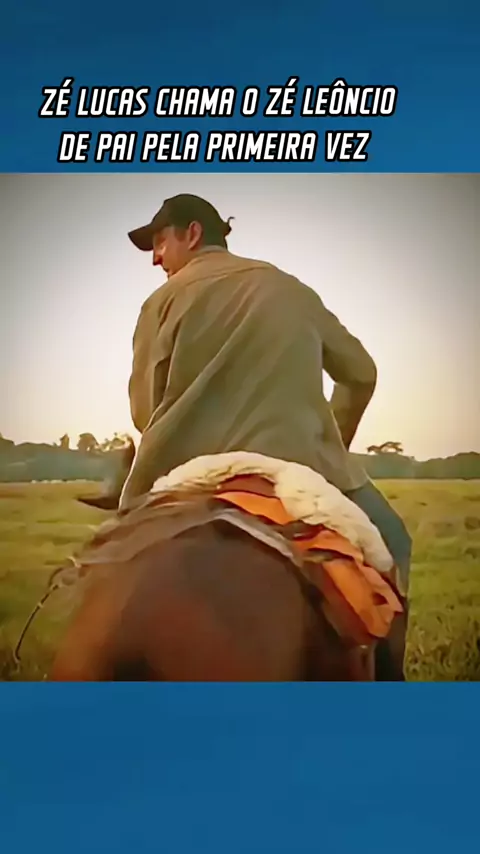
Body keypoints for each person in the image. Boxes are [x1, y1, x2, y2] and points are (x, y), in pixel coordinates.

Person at [120, 193, 411, 614]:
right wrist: (327, 446)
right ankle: (385, 654)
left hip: (187, 473)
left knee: (108, 567)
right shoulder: (292, 289)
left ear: (193, 234)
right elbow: (361, 373)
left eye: (160, 242)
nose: (155, 258)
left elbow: (144, 412)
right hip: (297, 470)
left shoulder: (160, 301)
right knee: (393, 543)